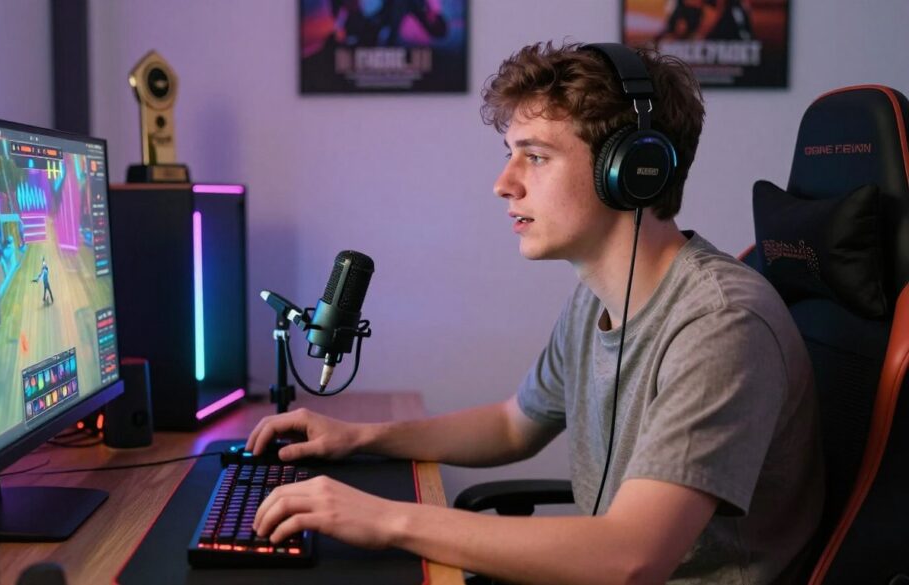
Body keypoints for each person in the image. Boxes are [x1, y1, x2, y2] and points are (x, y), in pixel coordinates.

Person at [246, 41, 823, 584]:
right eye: (510, 156)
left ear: (633, 170)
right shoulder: (597, 298)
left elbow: (633, 558)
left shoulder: (720, 324)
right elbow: (511, 425)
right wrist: (362, 438)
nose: (504, 184)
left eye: (536, 157)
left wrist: (388, 520)